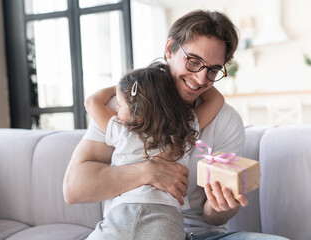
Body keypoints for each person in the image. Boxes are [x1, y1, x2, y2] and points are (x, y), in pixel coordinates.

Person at [63, 10, 289, 240]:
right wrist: (148, 171)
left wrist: (224, 204)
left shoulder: (224, 119)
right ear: (169, 49)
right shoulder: (126, 109)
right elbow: (74, 188)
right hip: (130, 227)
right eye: (193, 61)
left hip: (203, 234)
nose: (201, 80)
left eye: (212, 70)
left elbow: (213, 217)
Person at [84, 62, 224, 240]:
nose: (117, 109)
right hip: (167, 222)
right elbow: (216, 100)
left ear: (138, 109)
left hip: (122, 219)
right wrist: (173, 82)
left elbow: (92, 101)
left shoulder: (123, 132)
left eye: (120, 104)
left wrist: (121, 86)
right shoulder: (182, 132)